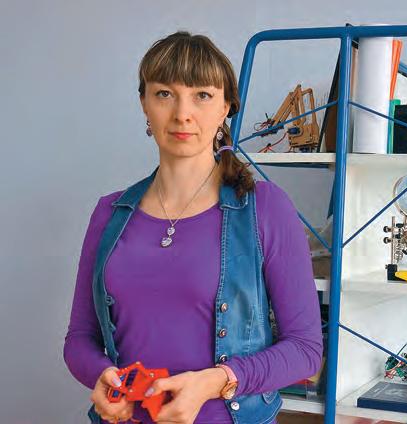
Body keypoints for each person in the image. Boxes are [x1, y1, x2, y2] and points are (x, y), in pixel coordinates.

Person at [63, 31, 323, 424]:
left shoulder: (266, 208)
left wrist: (217, 381)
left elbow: (305, 349)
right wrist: (101, 376)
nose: (182, 113)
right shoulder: (110, 213)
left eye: (202, 95)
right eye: (164, 94)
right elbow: (80, 339)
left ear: (225, 108)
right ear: (144, 104)